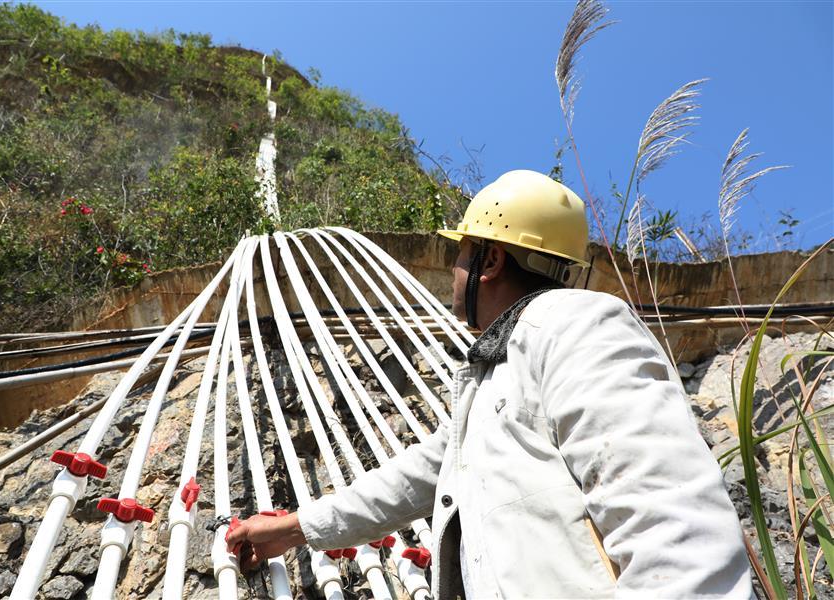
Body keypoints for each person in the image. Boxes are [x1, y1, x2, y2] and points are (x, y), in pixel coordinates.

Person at [226, 170, 753, 598]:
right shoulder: (493, 376)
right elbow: (414, 478)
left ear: (491, 260)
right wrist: (295, 528)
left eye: (460, 254)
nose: (452, 270)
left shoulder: (577, 324)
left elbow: (677, 531)